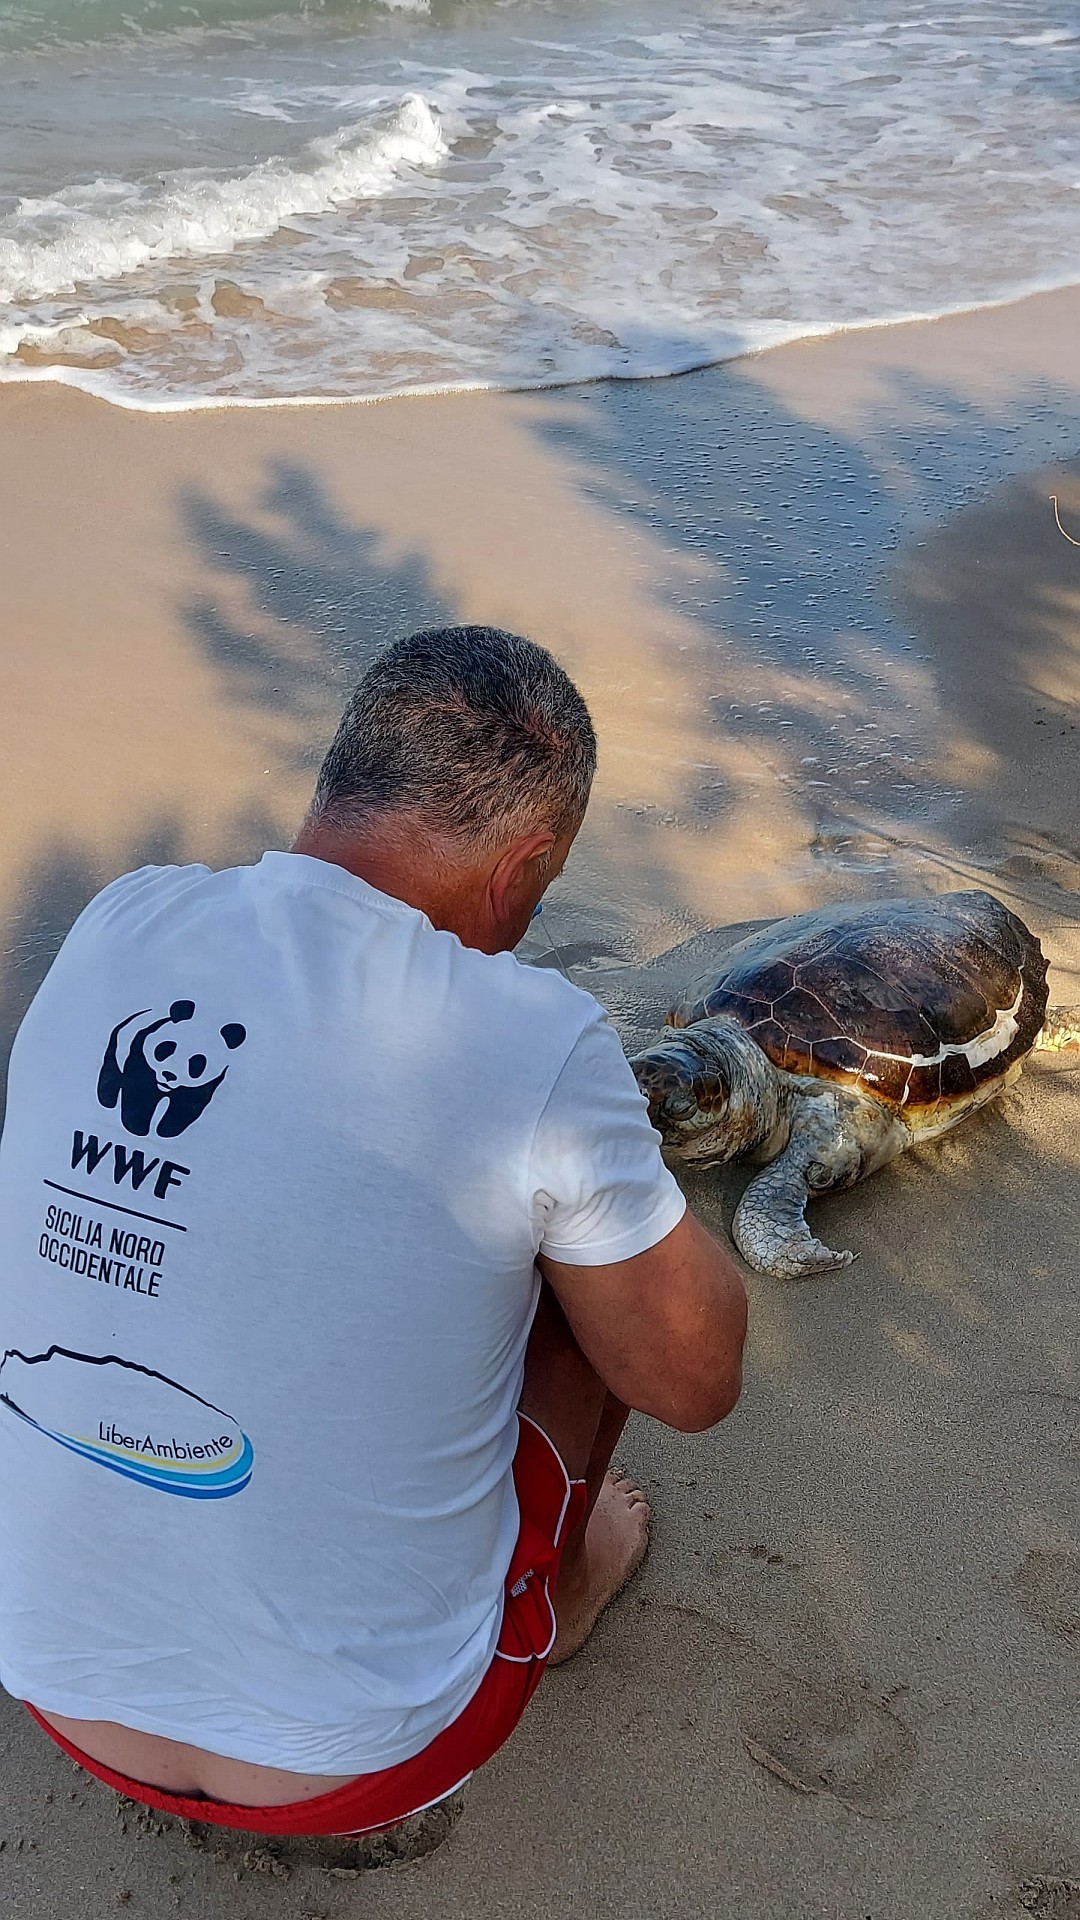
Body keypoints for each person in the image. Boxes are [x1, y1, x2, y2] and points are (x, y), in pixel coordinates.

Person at [0, 625, 746, 1839]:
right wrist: (611, 1183)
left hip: (54, 1687)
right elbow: (695, 1378)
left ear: (337, 785)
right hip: (358, 1761)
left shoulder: (121, 921)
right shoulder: (533, 1035)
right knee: (585, 1273)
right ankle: (567, 1579)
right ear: (523, 873)